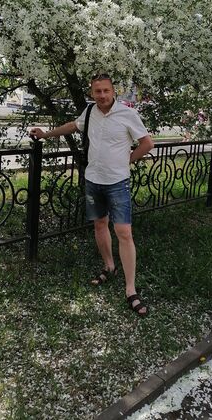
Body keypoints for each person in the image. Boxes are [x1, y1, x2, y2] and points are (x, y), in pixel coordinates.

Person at [29, 73, 154, 317]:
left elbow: (147, 144)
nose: (102, 95)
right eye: (98, 91)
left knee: (124, 233)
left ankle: (130, 289)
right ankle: (109, 266)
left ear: (113, 92)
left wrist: (126, 161)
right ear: (92, 93)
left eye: (106, 90)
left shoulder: (127, 114)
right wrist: (45, 134)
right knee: (99, 225)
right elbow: (71, 126)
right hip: (93, 180)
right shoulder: (89, 113)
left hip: (117, 183)